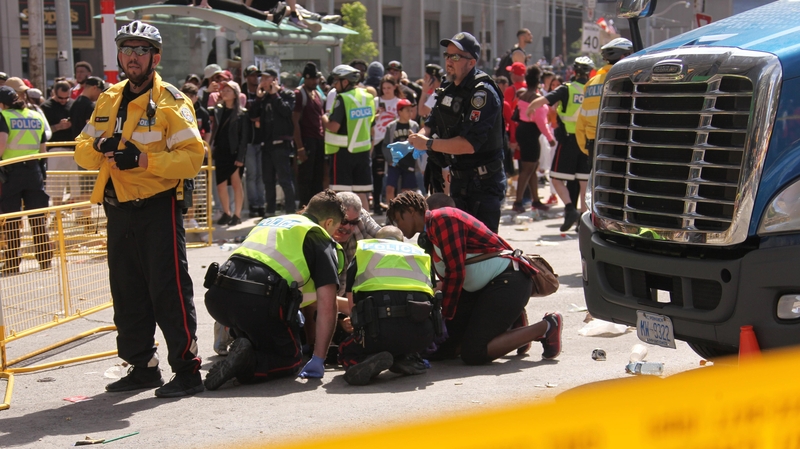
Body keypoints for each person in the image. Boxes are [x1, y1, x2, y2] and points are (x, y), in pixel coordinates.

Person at [74, 20, 206, 397]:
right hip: (117, 208)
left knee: (169, 292)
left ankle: (187, 371)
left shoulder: (173, 102)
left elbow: (192, 159)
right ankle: (143, 366)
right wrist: (99, 149)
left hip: (156, 209)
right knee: (127, 292)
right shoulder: (107, 98)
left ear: (155, 57)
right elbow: (81, 149)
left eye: (141, 50)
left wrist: (145, 161)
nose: (133, 57)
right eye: (127, 50)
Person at [387, 191, 562, 365]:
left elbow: (456, 273)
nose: (397, 226)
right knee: (445, 349)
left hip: (509, 281)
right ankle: (511, 323)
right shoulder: (429, 234)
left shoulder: (442, 219)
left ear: (410, 211)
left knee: (474, 352)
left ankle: (547, 326)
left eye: (398, 219)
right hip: (486, 288)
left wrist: (445, 316)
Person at [203, 189, 345, 389]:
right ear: (328, 222)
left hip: (218, 297)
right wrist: (319, 358)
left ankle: (245, 345)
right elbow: (327, 305)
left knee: (264, 328)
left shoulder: (271, 222)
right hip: (256, 302)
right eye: (335, 229)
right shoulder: (317, 236)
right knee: (291, 358)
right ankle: (249, 363)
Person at [407, 32, 507, 233]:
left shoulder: (482, 92)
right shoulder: (448, 86)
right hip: (458, 180)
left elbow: (468, 145)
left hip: (483, 184)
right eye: (447, 55)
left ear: (471, 62)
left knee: (482, 250)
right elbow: (432, 121)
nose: (448, 61)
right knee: (456, 244)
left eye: (455, 57)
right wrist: (420, 135)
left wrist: (427, 144)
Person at [338, 225, 436, 385]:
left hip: (377, 334)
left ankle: (361, 361)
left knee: (345, 349)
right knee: (401, 336)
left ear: (377, 240)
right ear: (402, 241)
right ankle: (405, 357)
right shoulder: (419, 254)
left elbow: (352, 308)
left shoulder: (364, 253)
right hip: (420, 335)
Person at [527, 56, 595, 232]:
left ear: (573, 71)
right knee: (584, 183)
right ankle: (583, 220)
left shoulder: (568, 89)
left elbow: (545, 100)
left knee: (556, 178)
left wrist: (531, 107)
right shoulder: (593, 89)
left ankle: (569, 208)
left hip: (569, 139)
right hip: (587, 141)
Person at [0, 86, 53, 275]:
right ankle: (45, 259)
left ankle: (13, 263)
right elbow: (43, 149)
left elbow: (1, 145)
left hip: (11, 173)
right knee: (38, 217)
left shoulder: (4, 117)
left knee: (12, 220)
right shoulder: (34, 115)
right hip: (34, 172)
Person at [323, 64, 375, 208]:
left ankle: (342, 228)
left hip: (342, 153)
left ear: (345, 82)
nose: (334, 84)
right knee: (361, 193)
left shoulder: (342, 98)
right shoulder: (368, 97)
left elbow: (333, 127)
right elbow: (371, 125)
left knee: (340, 194)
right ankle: (364, 227)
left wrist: (324, 118)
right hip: (363, 152)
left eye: (336, 80)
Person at [575, 38, 632, 161]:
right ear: (623, 56)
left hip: (593, 144)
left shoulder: (591, 82)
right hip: (619, 141)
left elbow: (581, 119)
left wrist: (586, 147)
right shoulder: (626, 79)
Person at [253, 68, 296, 217]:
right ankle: (269, 211)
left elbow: (286, 111)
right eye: (261, 79)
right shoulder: (263, 98)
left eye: (266, 79)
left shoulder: (286, 94)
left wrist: (275, 94)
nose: (262, 82)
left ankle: (291, 211)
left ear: (274, 80)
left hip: (281, 144)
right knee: (268, 181)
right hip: (267, 145)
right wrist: (258, 99)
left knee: (285, 179)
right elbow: (252, 115)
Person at [511, 65, 555, 214]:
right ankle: (518, 202)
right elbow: (541, 122)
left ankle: (535, 200)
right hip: (531, 133)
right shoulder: (537, 100)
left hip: (522, 131)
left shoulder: (522, 95)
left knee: (531, 167)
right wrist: (550, 139)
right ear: (539, 83)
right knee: (528, 168)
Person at [211, 80, 251, 226]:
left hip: (234, 153)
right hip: (221, 152)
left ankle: (237, 214)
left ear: (235, 94)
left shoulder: (242, 114)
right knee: (220, 184)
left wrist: (240, 157)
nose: (224, 93)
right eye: (223, 90)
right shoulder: (218, 110)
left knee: (236, 183)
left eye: (228, 91)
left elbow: (244, 138)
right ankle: (226, 213)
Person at [293, 62, 326, 207]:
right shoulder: (299, 94)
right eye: (311, 78)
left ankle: (316, 207)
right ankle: (304, 206)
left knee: (318, 176)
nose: (314, 81)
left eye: (316, 78)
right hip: (306, 140)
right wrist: (300, 148)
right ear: (305, 78)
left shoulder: (318, 94)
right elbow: (294, 121)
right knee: (305, 177)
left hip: (319, 140)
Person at [371, 75, 405, 214]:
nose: (386, 91)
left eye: (389, 88)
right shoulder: (375, 101)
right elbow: (369, 120)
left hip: (394, 141)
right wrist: (376, 116)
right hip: (378, 140)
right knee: (378, 173)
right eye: (384, 88)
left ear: (395, 87)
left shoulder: (399, 102)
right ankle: (378, 203)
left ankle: (395, 205)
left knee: (395, 173)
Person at [241, 65, 266, 218]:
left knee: (261, 174)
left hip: (262, 138)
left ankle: (261, 203)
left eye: (256, 75)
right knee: (251, 174)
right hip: (248, 140)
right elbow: (246, 113)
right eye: (251, 75)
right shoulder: (242, 92)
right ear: (246, 77)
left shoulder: (263, 91)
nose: (254, 78)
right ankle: (253, 204)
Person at [382, 99, 419, 202]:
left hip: (409, 161)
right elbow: (385, 145)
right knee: (390, 187)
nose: (410, 113)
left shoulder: (414, 126)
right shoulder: (392, 126)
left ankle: (404, 212)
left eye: (411, 110)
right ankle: (390, 211)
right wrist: (390, 159)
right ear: (399, 112)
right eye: (407, 110)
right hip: (395, 162)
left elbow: (419, 144)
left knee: (406, 190)